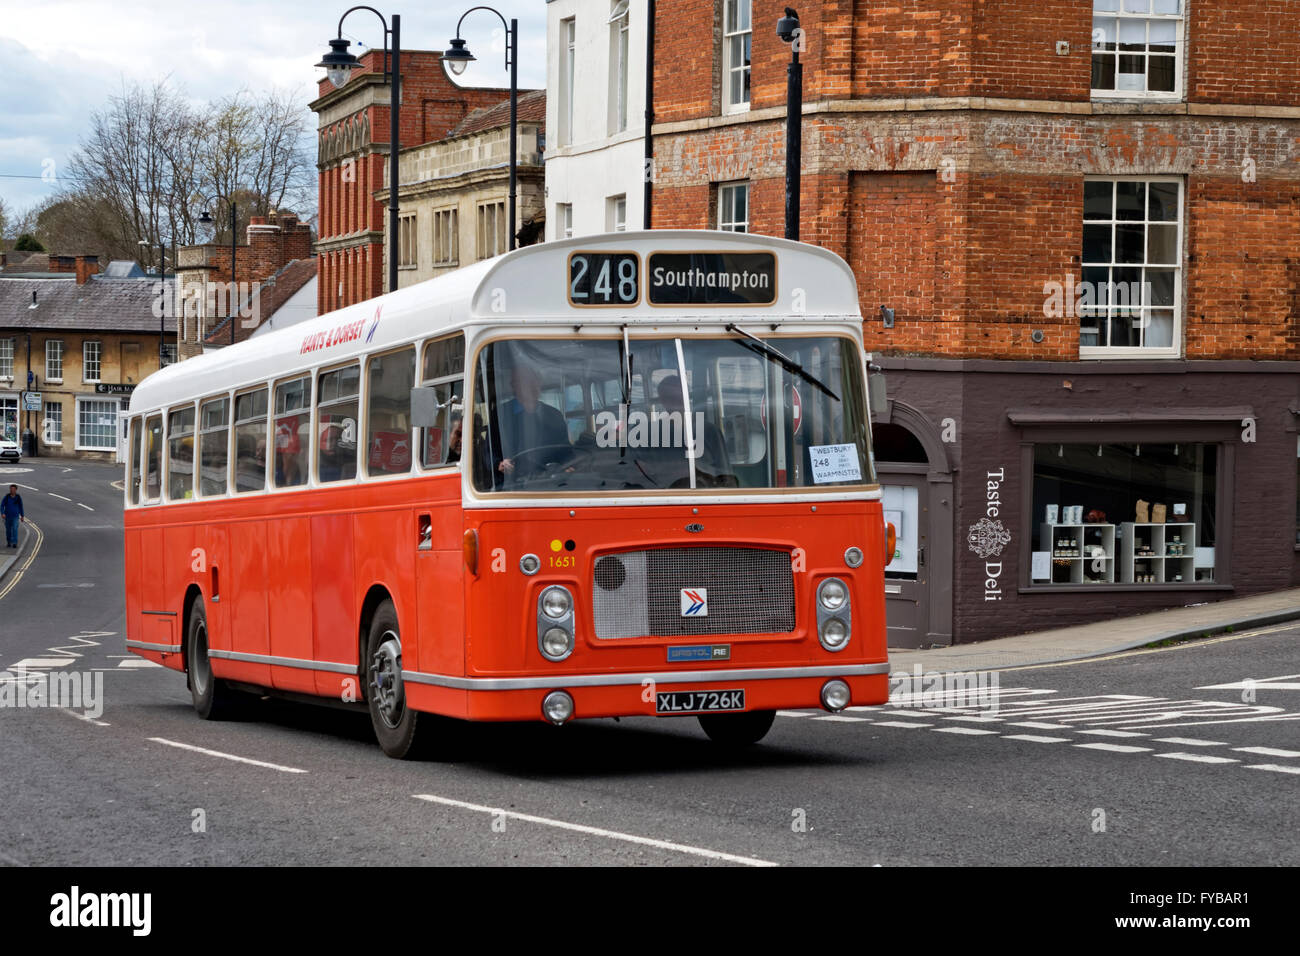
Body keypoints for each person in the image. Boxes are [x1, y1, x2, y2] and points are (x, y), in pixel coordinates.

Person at [495, 365, 570, 478]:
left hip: (551, 480)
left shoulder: (554, 415)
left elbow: (565, 451)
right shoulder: (501, 415)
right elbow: (489, 452)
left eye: (535, 381)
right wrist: (499, 463)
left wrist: (569, 465)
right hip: (513, 482)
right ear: (514, 386)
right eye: (525, 382)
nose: (532, 386)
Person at [2, 484, 24, 549]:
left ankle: (14, 543)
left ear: (16, 490)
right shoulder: (7, 497)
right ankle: (9, 542)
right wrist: (2, 513)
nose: (12, 490)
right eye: (11, 489)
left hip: (15, 517)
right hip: (7, 517)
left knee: (15, 529)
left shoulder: (18, 497)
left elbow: (21, 507)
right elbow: (2, 505)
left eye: (13, 489)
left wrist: (22, 516)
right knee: (8, 531)